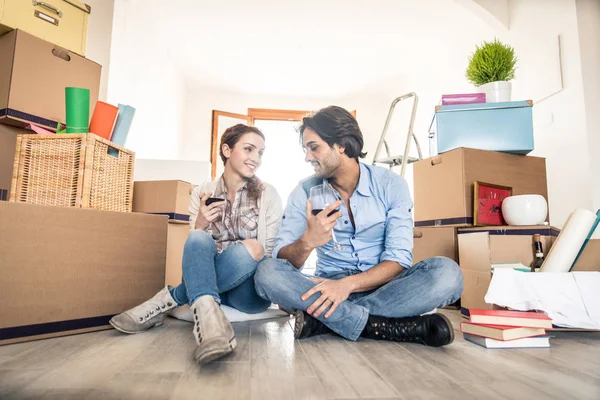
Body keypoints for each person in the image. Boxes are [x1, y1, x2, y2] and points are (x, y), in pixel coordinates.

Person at [254, 106, 463, 347]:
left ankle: (325, 320)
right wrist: (307, 241)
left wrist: (347, 286)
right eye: (306, 149)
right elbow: (282, 261)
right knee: (266, 273)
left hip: (385, 286)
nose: (307, 157)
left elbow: (399, 259)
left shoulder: (391, 185)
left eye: (314, 147)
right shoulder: (303, 192)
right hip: (327, 284)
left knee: (448, 274)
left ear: (341, 144)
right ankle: (386, 326)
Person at [110, 124, 283, 364]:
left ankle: (166, 300)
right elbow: (196, 252)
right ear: (226, 150)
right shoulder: (202, 191)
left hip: (248, 291)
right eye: (249, 149)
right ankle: (211, 327)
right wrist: (201, 223)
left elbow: (269, 252)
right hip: (207, 279)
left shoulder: (268, 194)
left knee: (254, 247)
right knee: (197, 236)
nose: (256, 158)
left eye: (260, 153)